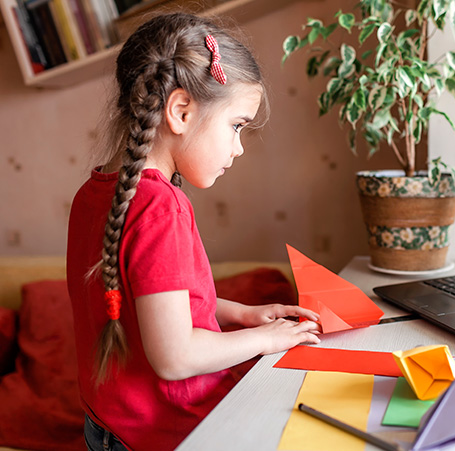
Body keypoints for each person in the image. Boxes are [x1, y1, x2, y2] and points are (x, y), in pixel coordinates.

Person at [66, 13, 321, 451]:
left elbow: (149, 301)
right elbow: (175, 356)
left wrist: (239, 314)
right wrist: (265, 339)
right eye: (237, 125)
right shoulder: (160, 206)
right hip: (161, 436)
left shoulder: (95, 192)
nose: (239, 147)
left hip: (107, 425)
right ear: (181, 111)